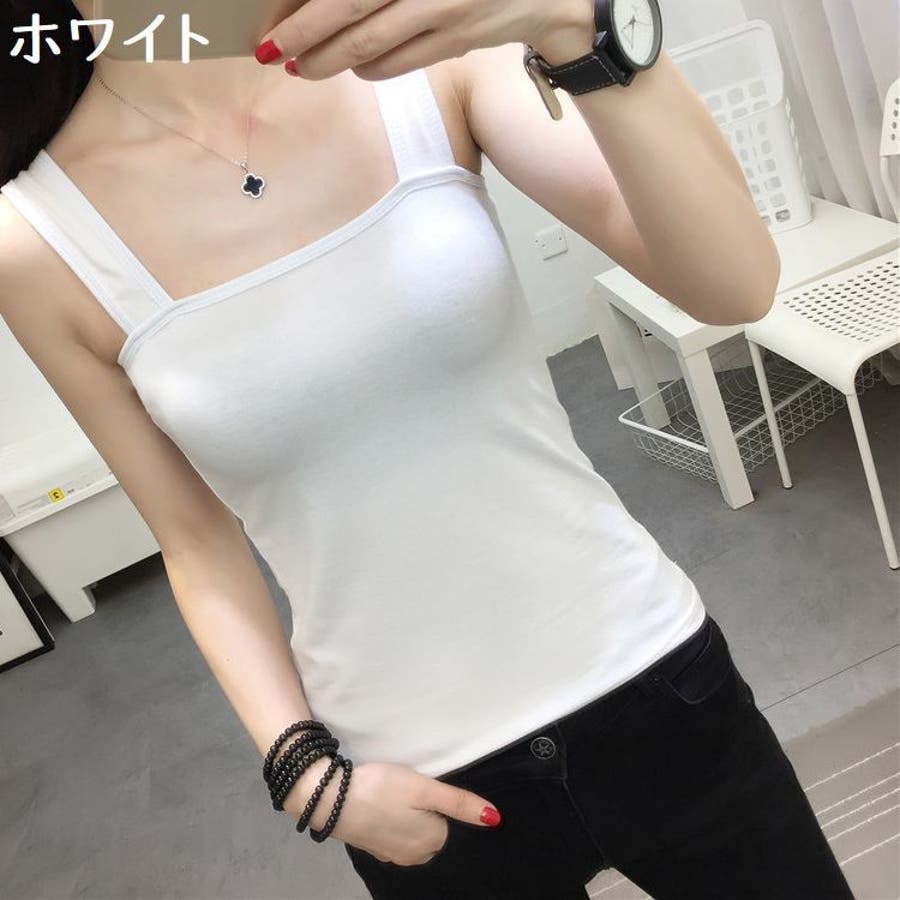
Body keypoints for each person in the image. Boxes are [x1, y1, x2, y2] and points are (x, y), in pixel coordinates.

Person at [0, 1, 855, 897]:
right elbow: (196, 545)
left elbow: (735, 284)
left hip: (654, 680)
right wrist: (305, 777)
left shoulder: (426, 55)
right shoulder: (37, 242)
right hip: (411, 790)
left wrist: (580, 22)